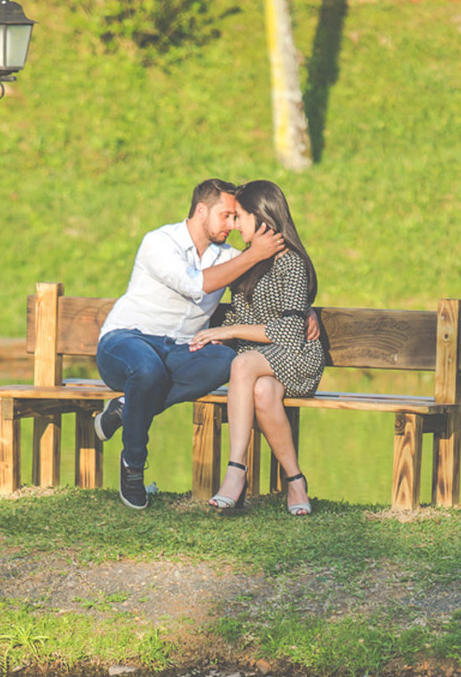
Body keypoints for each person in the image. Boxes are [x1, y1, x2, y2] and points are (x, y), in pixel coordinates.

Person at [94, 178, 286, 512]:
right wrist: (253, 254)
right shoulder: (159, 242)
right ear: (201, 211)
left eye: (236, 217)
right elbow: (196, 284)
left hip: (181, 352)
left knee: (225, 360)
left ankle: (126, 408)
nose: (232, 225)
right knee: (147, 369)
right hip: (126, 340)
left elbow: (272, 282)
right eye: (226, 216)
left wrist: (302, 311)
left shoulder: (227, 256)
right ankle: (133, 465)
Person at [190, 180, 325, 518]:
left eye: (240, 217)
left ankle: (236, 470)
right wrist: (218, 333)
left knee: (243, 365)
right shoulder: (247, 263)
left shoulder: (291, 263)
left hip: (297, 359)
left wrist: (230, 330)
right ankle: (295, 480)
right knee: (263, 392)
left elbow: (291, 332)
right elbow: (239, 316)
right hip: (261, 365)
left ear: (261, 217)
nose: (235, 225)